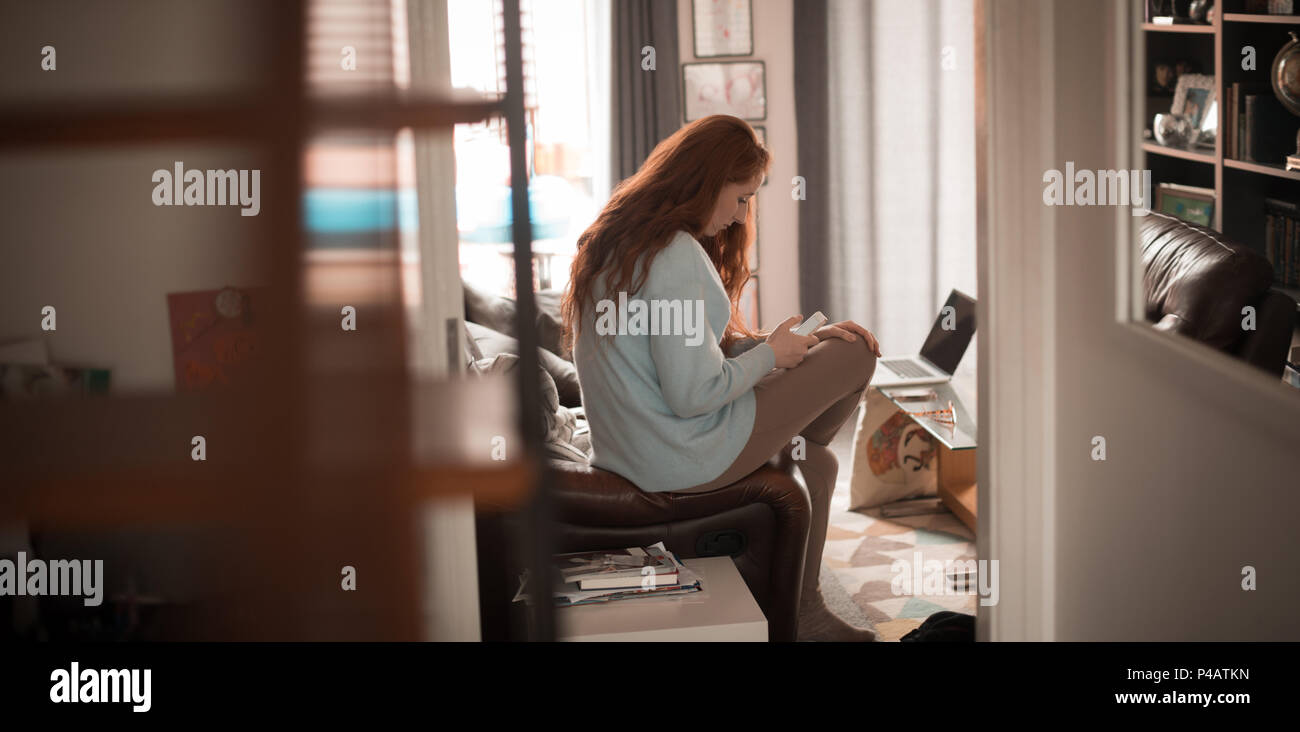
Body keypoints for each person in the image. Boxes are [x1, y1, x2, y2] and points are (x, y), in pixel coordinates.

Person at [561, 115, 882, 642]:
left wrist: (770, 348)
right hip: (681, 453)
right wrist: (772, 359)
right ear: (708, 183)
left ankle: (808, 606)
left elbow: (673, 355)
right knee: (854, 357)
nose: (739, 217)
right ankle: (805, 614)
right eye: (740, 198)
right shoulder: (676, 257)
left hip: (632, 450)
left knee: (816, 460)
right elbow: (694, 395)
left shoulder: (619, 245)